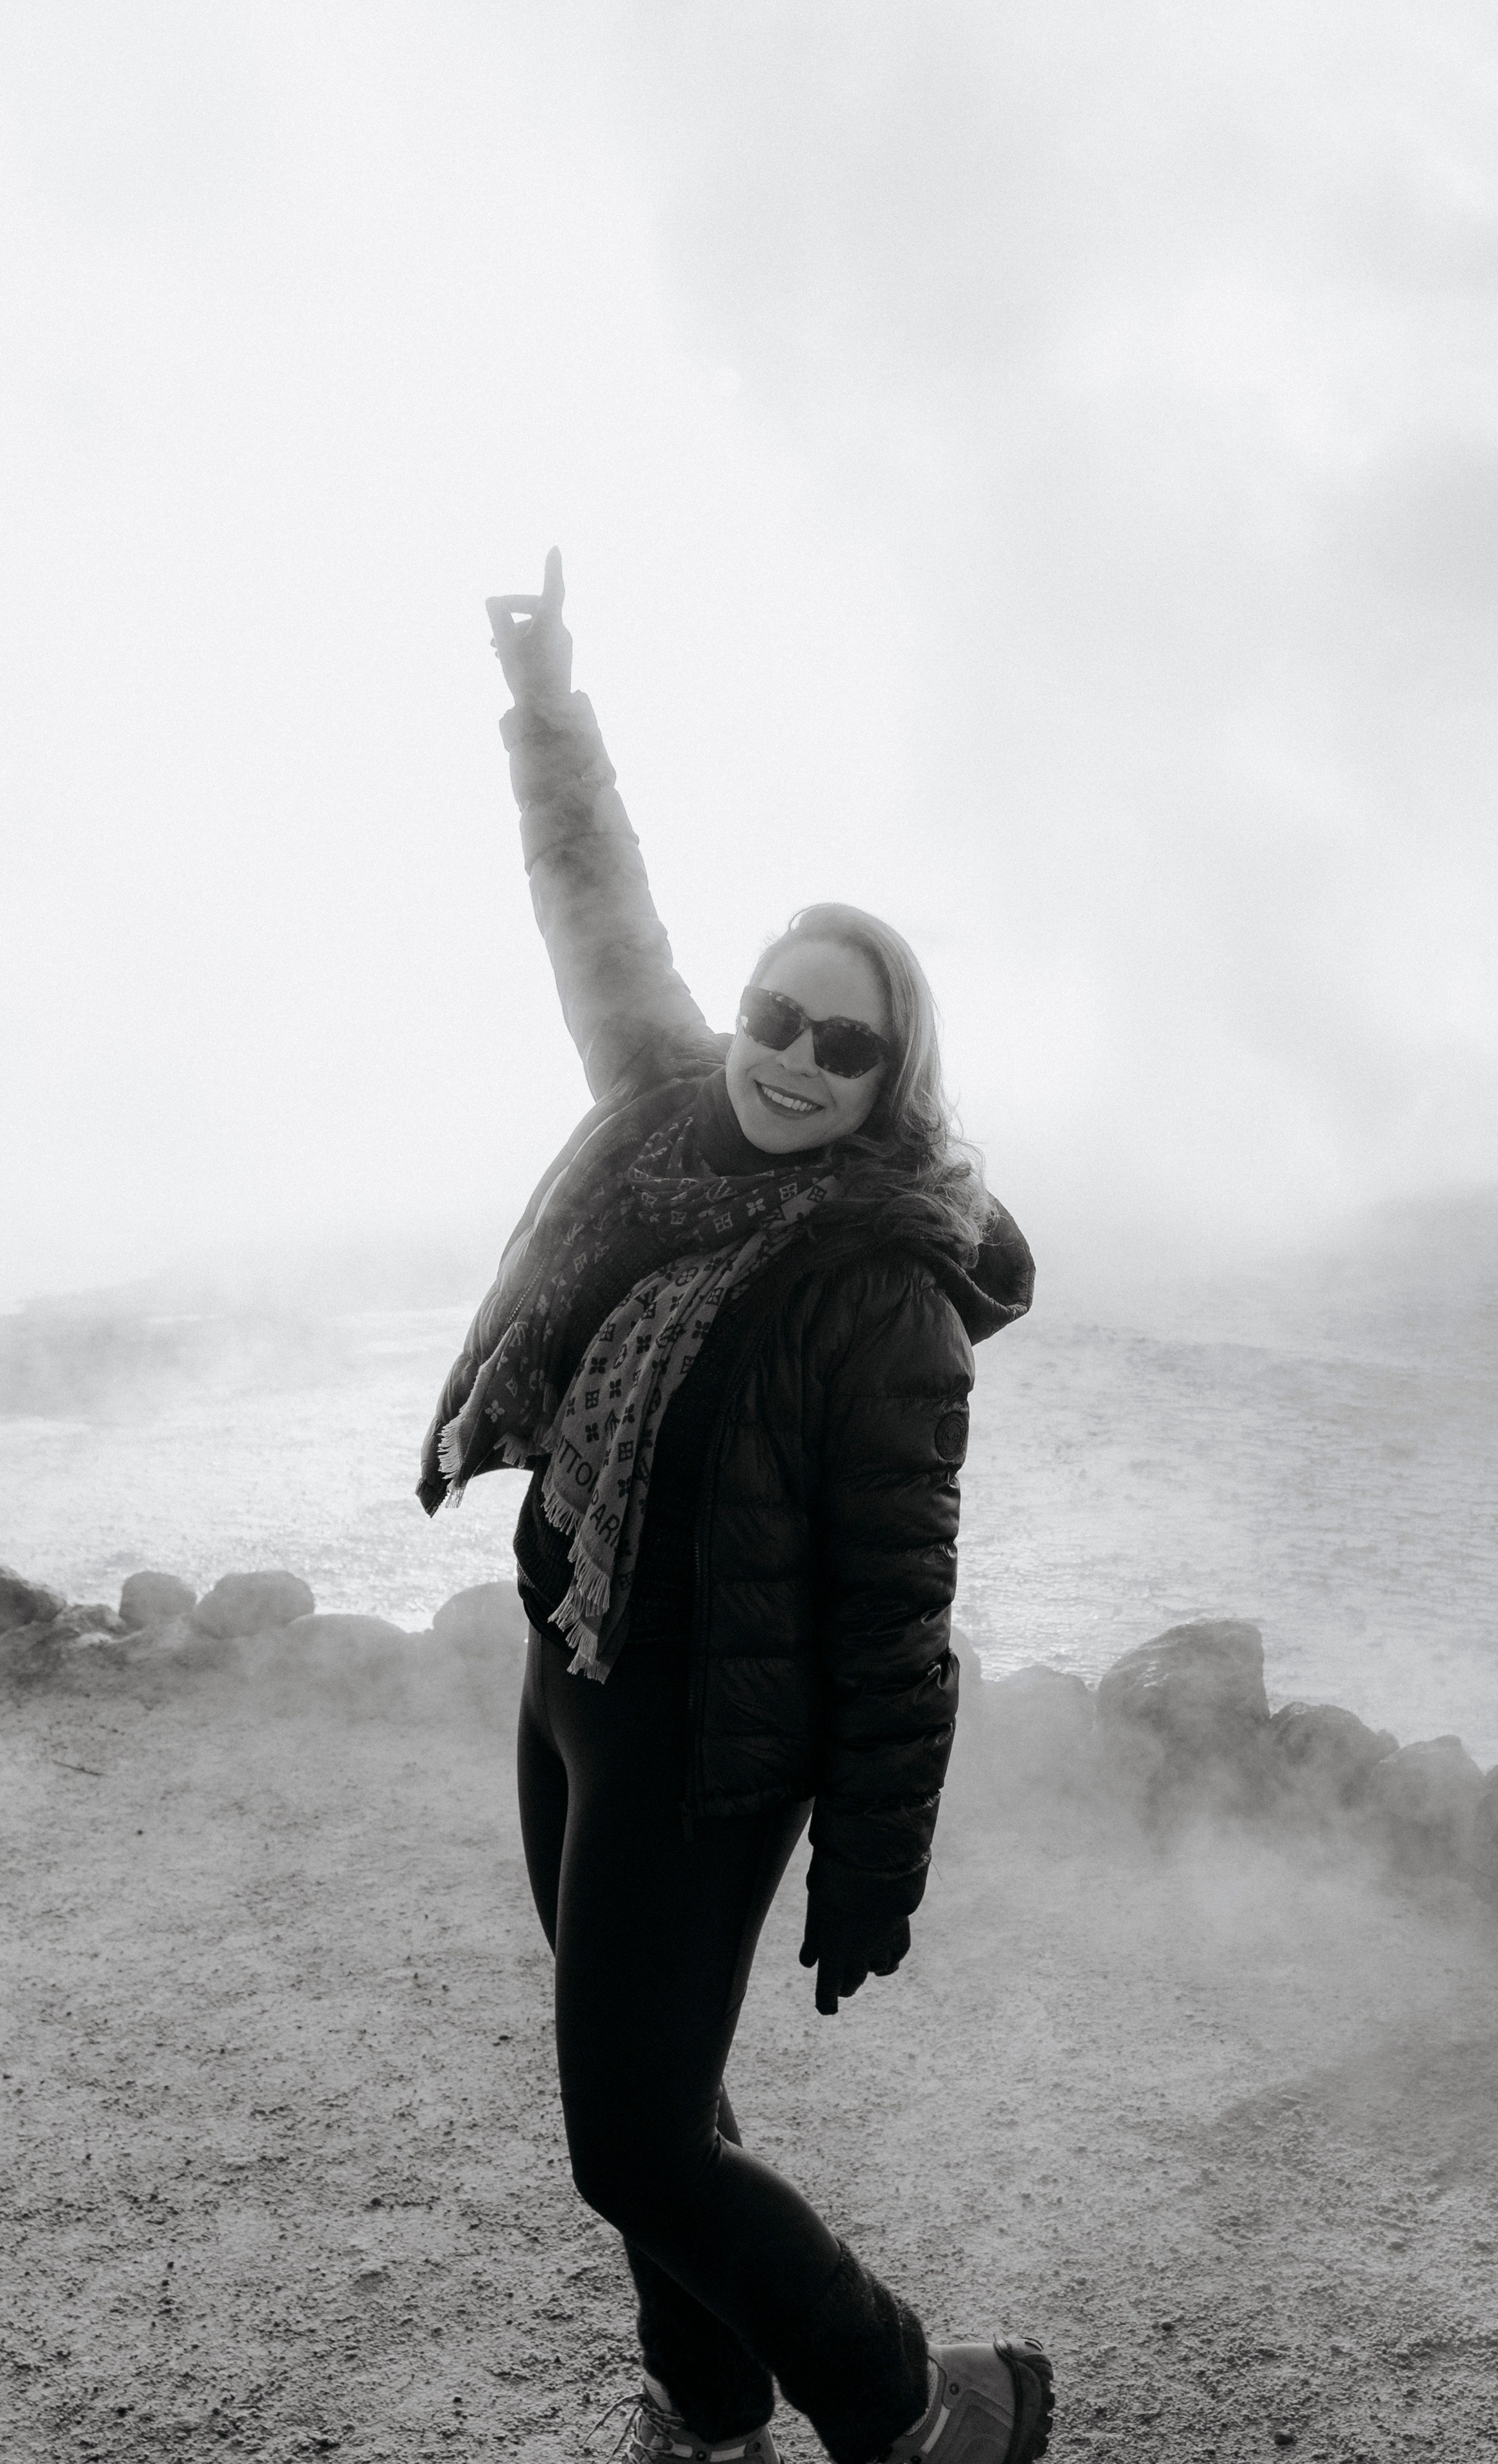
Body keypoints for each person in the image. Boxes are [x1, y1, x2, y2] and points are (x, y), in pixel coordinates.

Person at [419, 552, 1050, 2464]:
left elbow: (889, 1619)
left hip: (709, 1746)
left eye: (841, 1043)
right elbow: (597, 918)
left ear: (891, 1083)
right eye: (778, 1015)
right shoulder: (674, 1121)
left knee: (625, 2134)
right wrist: (549, 714)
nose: (789, 1057)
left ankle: (919, 2408)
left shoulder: (884, 1296)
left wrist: (867, 1875)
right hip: (577, 1671)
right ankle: (704, 2403)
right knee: (659, 2104)